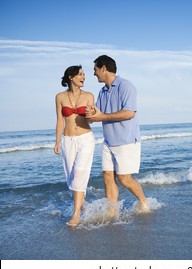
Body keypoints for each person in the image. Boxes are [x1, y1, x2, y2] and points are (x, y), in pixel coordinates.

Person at [86, 55, 149, 216]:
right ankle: (112, 211)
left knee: (124, 179)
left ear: (104, 68)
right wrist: (89, 113)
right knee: (107, 175)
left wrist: (101, 117)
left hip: (126, 140)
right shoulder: (102, 91)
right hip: (108, 141)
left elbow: (129, 113)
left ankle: (144, 202)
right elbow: (97, 113)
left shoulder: (126, 86)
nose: (94, 73)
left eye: (95, 69)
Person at [54, 65, 95, 227]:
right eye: (80, 75)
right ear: (71, 77)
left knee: (79, 173)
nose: (83, 77)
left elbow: (92, 120)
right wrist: (57, 141)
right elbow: (59, 120)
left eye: (84, 75)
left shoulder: (89, 96)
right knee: (71, 176)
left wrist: (91, 114)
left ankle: (76, 214)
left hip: (85, 138)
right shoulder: (60, 97)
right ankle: (82, 206)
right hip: (68, 140)